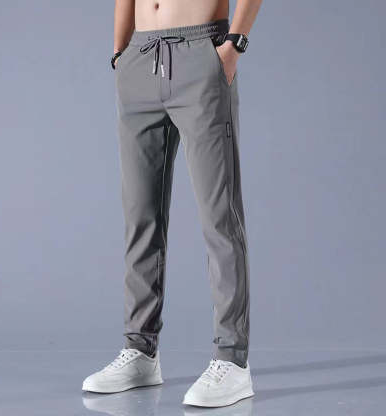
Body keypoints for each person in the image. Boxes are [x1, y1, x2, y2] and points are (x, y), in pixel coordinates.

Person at [83, 0, 263, 407]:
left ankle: (232, 360)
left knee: (220, 217)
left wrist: (234, 44)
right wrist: (120, 52)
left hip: (202, 54)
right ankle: (140, 350)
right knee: (140, 216)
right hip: (139, 55)